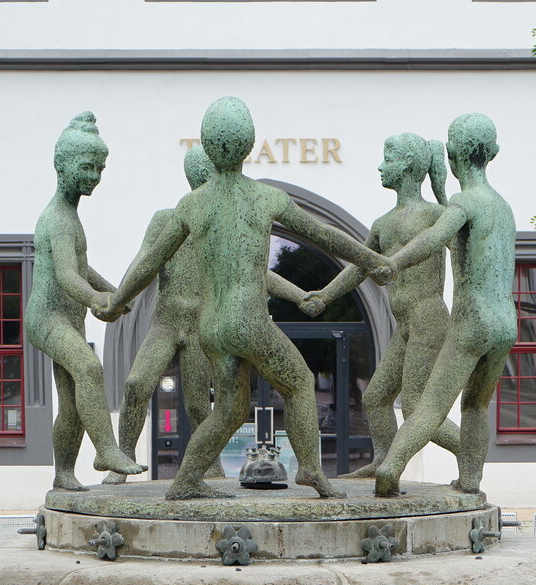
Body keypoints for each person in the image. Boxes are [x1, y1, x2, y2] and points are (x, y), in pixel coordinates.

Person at [108, 97, 394, 500]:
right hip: (247, 321)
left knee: (228, 409)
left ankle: (187, 479)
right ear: (250, 144)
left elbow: (147, 262)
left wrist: (115, 301)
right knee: (298, 382)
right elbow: (324, 235)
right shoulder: (264, 197)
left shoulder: (192, 205)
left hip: (211, 328)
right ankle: (311, 469)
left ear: (207, 145)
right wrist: (372, 259)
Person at [104, 146, 307, 484]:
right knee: (136, 384)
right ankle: (122, 460)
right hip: (167, 323)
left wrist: (298, 294)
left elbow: (258, 272)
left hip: (201, 326)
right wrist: (121, 298)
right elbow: (145, 262)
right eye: (198, 178)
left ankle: (208, 470)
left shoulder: (219, 223)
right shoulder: (167, 218)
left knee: (199, 406)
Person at [372, 113, 516, 502]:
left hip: (473, 320)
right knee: (475, 405)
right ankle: (470, 480)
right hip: (506, 322)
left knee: (429, 405)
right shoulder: (501, 206)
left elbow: (435, 237)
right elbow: (460, 238)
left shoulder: (463, 202)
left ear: (451, 156)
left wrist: (395, 262)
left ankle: (390, 467)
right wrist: (439, 193)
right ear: (493, 154)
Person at [301, 132, 460, 478]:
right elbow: (360, 267)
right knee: (375, 398)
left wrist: (443, 193)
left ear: (405, 167)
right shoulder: (383, 224)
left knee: (418, 407)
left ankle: (468, 451)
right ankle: (383, 462)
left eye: (387, 159)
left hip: (429, 317)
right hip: (405, 324)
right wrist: (325, 295)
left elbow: (462, 253)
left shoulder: (435, 215)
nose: (379, 167)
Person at [25, 112, 146, 491]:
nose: (94, 176)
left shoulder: (70, 216)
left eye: (100, 168)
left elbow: (81, 266)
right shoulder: (58, 219)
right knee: (90, 368)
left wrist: (115, 292)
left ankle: (62, 473)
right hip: (48, 318)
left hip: (68, 317)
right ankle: (106, 449)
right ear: (62, 165)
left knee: (74, 407)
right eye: (87, 166)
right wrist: (98, 300)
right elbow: (66, 276)